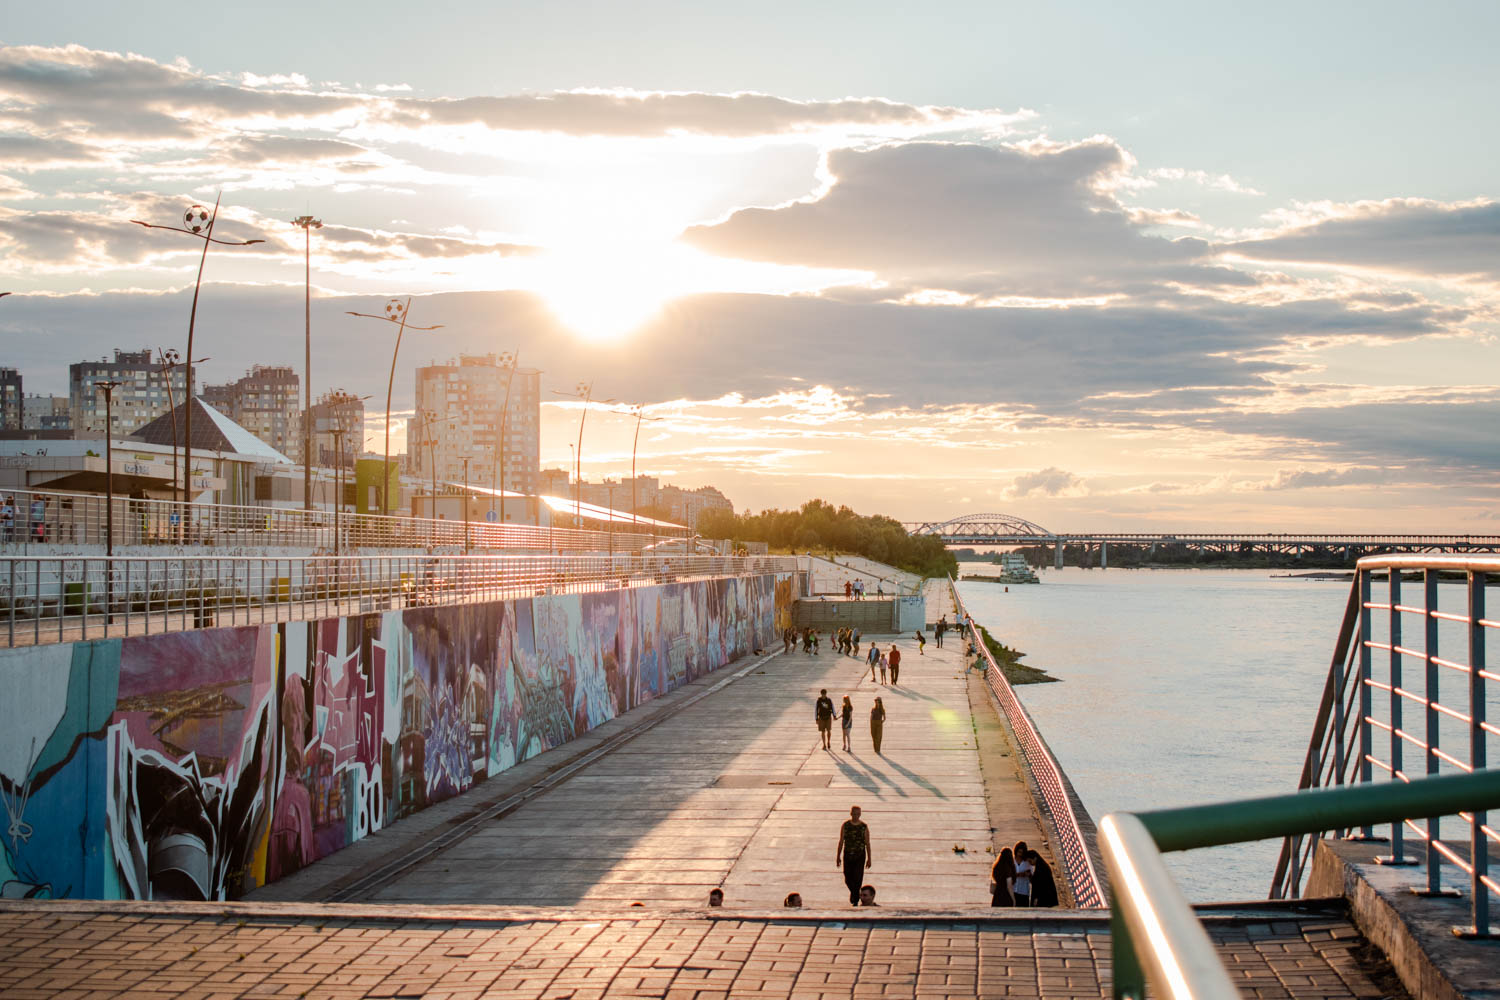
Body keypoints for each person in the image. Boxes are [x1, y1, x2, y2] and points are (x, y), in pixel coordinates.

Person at [835, 805, 872, 906]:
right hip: (848, 854)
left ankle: (855, 899)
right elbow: (841, 841)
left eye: (858, 814)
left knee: (857, 878)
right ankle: (855, 894)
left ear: (860, 814)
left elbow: (867, 843)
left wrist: (869, 859)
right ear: (851, 813)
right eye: (854, 814)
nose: (856, 816)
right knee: (848, 878)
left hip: (859, 855)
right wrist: (838, 856)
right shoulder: (846, 825)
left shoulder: (864, 826)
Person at [1012, 841, 1032, 907]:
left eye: (1021, 853)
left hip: (1024, 891)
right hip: (1013, 890)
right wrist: (1019, 874)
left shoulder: (1027, 862)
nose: (1019, 855)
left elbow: (1031, 875)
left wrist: (1028, 874)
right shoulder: (1012, 861)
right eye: (1019, 852)